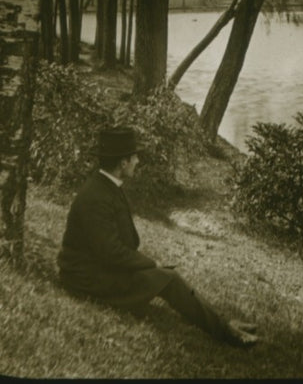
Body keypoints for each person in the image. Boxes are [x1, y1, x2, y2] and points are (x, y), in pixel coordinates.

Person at [58, 126, 259, 346]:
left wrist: (149, 265)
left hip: (98, 270)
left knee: (166, 274)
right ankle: (227, 335)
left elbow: (112, 249)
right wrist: (151, 263)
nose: (137, 161)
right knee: (168, 278)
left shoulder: (106, 186)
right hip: (88, 279)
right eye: (134, 157)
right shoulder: (96, 196)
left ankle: (223, 323)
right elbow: (110, 253)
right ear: (122, 163)